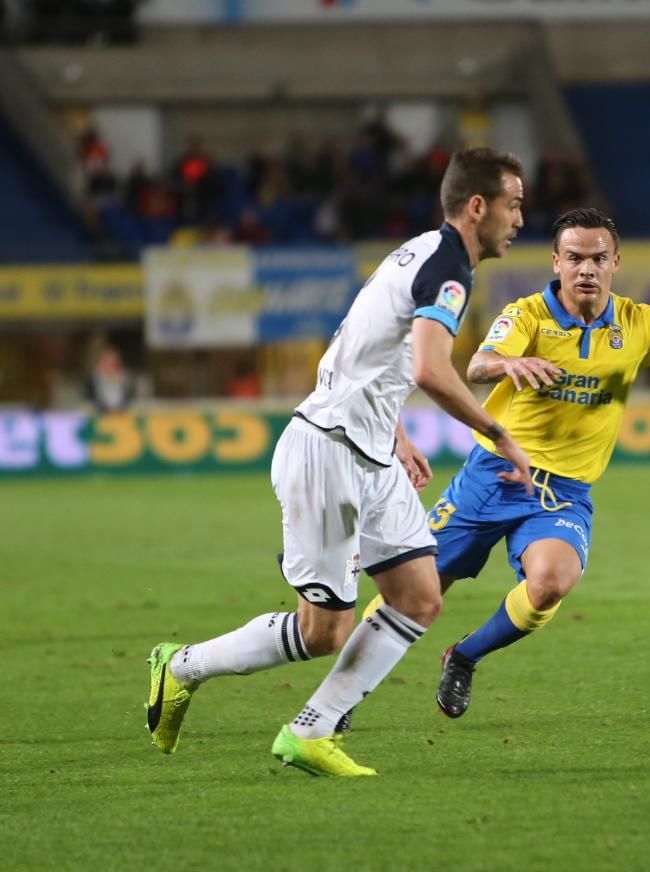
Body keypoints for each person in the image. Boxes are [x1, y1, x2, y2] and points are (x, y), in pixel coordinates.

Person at [143, 147, 535, 777]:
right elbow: (435, 370)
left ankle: (312, 730)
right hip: (327, 452)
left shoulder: (417, 251)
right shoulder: (448, 269)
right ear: (478, 205)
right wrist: (499, 433)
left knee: (418, 597)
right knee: (322, 631)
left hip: (371, 453)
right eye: (514, 204)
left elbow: (362, 347)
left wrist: (396, 430)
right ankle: (181, 665)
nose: (520, 219)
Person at [359, 208, 650, 720]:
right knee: (415, 592)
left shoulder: (641, 324)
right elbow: (477, 365)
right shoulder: (526, 315)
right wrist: (510, 363)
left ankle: (465, 656)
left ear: (615, 262)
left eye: (596, 258)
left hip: (562, 493)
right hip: (490, 478)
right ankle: (346, 692)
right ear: (557, 262)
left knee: (549, 584)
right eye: (574, 258)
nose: (586, 269)